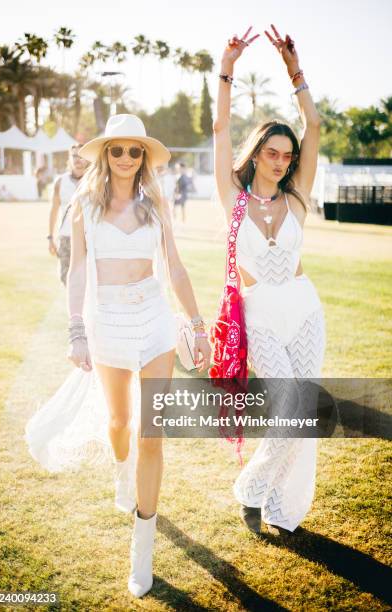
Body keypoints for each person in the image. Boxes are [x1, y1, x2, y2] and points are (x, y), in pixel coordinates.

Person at [26, 114, 212, 598]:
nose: (127, 158)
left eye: (135, 151)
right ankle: (119, 472)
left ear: (144, 157)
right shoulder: (82, 204)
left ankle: (142, 545)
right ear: (105, 155)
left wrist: (196, 323)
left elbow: (173, 265)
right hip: (106, 321)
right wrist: (76, 331)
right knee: (118, 423)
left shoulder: (157, 204)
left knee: (152, 434)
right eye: (117, 150)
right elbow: (78, 270)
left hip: (153, 319)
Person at [213, 26, 325, 536]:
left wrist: (294, 71)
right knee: (289, 403)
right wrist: (227, 70)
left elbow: (315, 125)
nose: (281, 162)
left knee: (302, 413)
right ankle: (253, 487)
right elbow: (219, 131)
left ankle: (273, 495)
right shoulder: (232, 198)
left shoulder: (297, 195)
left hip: (304, 311)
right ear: (257, 152)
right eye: (272, 152)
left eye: (288, 155)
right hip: (259, 313)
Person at [47, 144, 89, 286]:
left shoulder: (95, 181)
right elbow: (53, 210)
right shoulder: (60, 181)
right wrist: (50, 238)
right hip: (65, 238)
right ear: (69, 159)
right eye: (74, 156)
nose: (78, 160)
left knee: (88, 280)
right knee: (66, 279)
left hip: (87, 238)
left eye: (82, 156)